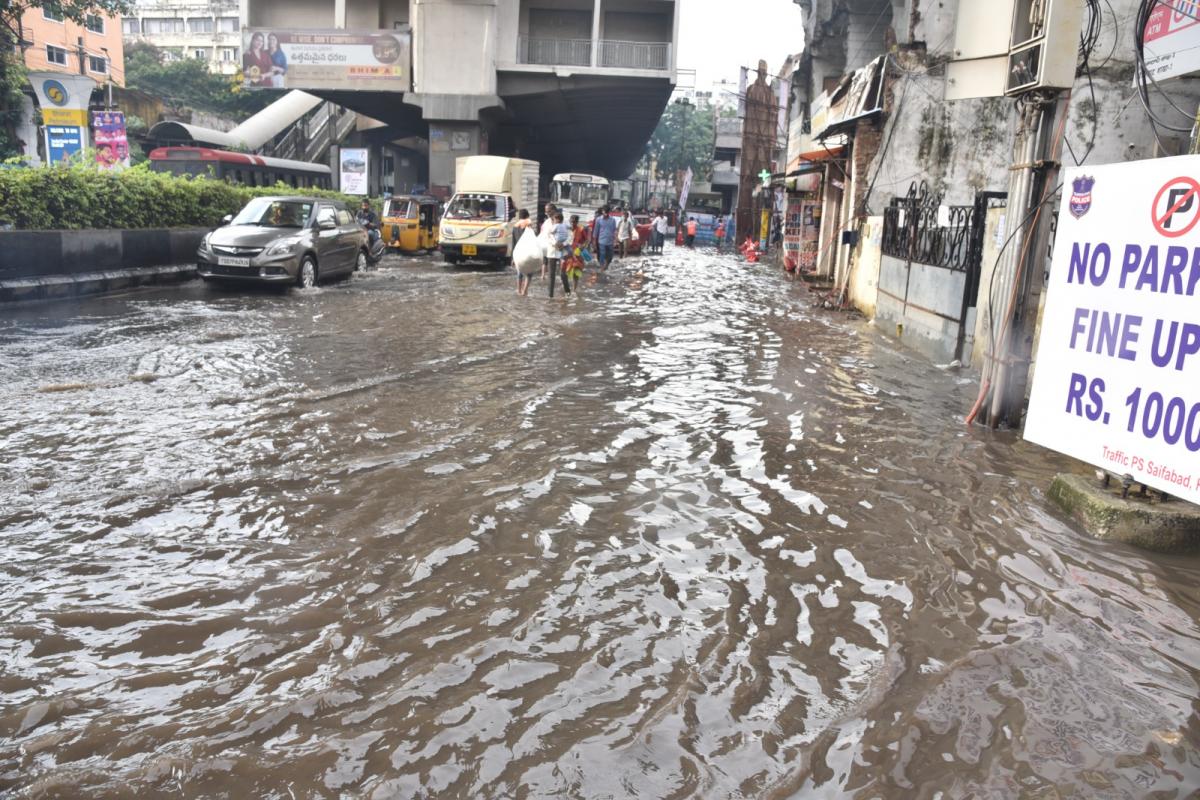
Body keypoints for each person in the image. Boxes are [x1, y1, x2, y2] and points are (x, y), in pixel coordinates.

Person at [563, 214, 590, 295]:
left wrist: (582, 247)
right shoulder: (566, 229)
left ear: (577, 222)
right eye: (571, 222)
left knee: (576, 273)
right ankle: (567, 289)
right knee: (565, 272)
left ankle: (574, 290)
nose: (572, 224)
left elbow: (587, 240)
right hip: (567, 253)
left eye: (574, 222)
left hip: (577, 254)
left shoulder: (581, 229)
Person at [547, 212, 570, 298]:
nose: (554, 221)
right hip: (552, 252)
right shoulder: (548, 226)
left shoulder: (564, 225)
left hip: (563, 251)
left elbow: (570, 236)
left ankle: (567, 293)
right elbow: (548, 237)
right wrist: (556, 244)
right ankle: (550, 296)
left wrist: (563, 244)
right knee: (551, 275)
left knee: (563, 274)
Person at [513, 208, 534, 296]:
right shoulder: (527, 225)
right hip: (527, 251)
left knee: (519, 272)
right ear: (527, 216)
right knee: (529, 273)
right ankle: (525, 291)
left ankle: (518, 290)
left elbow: (513, 242)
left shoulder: (515, 226)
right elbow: (532, 239)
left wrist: (512, 258)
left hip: (518, 252)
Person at [539, 202, 557, 280]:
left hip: (558, 247)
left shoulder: (561, 221)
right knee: (546, 261)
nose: (547, 213)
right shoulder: (547, 222)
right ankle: (544, 276)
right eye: (546, 211)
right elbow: (542, 233)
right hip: (548, 247)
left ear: (554, 210)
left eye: (549, 211)